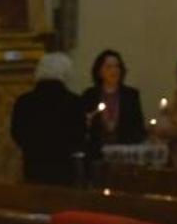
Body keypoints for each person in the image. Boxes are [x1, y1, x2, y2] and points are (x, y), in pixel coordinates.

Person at [11, 52, 86, 185]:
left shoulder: (24, 101)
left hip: (34, 166)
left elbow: (16, 133)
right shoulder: (74, 102)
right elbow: (79, 136)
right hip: (64, 168)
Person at [80, 49, 146, 158]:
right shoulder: (89, 95)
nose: (114, 70)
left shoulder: (131, 95)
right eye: (109, 67)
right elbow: (83, 126)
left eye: (117, 66)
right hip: (96, 153)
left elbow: (138, 126)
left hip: (124, 153)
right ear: (99, 71)